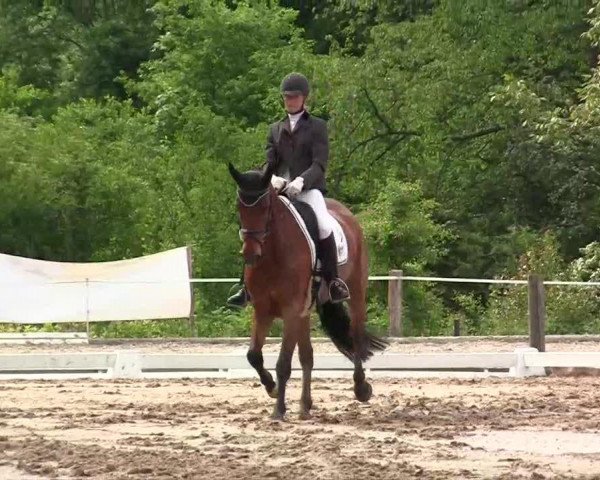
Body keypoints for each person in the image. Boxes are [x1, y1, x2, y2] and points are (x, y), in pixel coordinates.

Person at [227, 72, 350, 308]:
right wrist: (272, 178)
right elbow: (270, 161)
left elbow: (319, 163)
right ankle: (245, 287)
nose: (290, 101)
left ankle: (333, 281)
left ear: (304, 99)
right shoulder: (275, 129)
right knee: (254, 228)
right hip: (281, 189)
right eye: (286, 97)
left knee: (324, 225)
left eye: (294, 97)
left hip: (308, 189)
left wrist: (302, 181)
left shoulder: (317, 127)